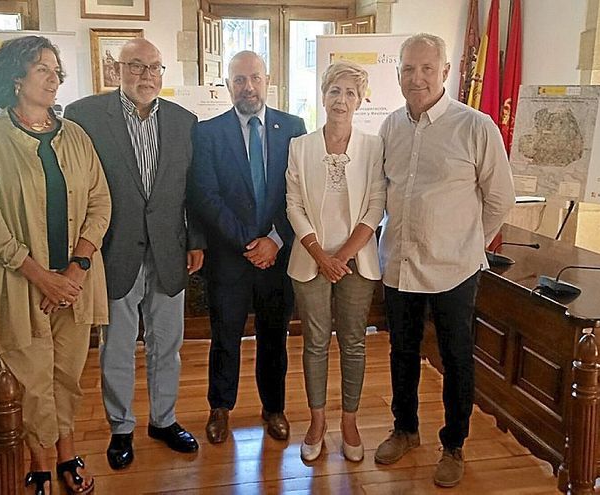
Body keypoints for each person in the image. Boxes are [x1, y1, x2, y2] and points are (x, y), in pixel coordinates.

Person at [0, 35, 110, 495]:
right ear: (16, 77)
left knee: (66, 375)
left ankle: (68, 453)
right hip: (19, 284)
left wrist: (74, 270)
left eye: (55, 69)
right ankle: (40, 462)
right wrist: (42, 276)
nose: (54, 78)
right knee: (31, 382)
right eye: (43, 69)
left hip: (74, 283)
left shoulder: (75, 136)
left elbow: (100, 203)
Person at [373, 33, 514, 488]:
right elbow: (383, 193)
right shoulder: (390, 127)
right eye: (408, 69)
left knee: (456, 359)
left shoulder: (476, 127)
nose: (417, 78)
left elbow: (500, 200)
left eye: (427, 69)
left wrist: (465, 243)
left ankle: (453, 444)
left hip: (454, 269)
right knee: (402, 353)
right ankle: (405, 429)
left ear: (446, 72)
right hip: (399, 264)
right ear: (397, 75)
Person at [65, 38, 205, 470]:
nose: (146, 76)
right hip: (113, 251)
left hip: (170, 251)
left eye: (154, 68)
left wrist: (196, 239)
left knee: (168, 345)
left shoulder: (185, 121)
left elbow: (192, 188)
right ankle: (120, 428)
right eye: (136, 66)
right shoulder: (84, 116)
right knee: (117, 347)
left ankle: (163, 420)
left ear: (163, 73)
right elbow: (79, 188)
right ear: (116, 71)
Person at [188, 51, 306, 444]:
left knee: (275, 337)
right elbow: (205, 196)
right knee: (225, 338)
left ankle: (274, 408)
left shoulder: (293, 127)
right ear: (228, 86)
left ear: (267, 79)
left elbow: (299, 192)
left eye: (254, 78)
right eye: (239, 80)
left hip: (278, 257)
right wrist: (248, 242)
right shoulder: (208, 132)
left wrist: (274, 240)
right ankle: (220, 408)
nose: (248, 87)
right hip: (230, 258)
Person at [285, 61, 385, 463]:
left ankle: (349, 421)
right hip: (310, 260)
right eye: (334, 91)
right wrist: (320, 255)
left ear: (360, 100)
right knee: (314, 343)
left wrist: (340, 257)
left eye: (349, 93)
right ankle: (316, 421)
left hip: (356, 262)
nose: (341, 100)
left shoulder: (374, 146)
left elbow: (376, 205)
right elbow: (292, 204)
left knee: (354, 344)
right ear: (323, 96)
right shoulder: (300, 145)